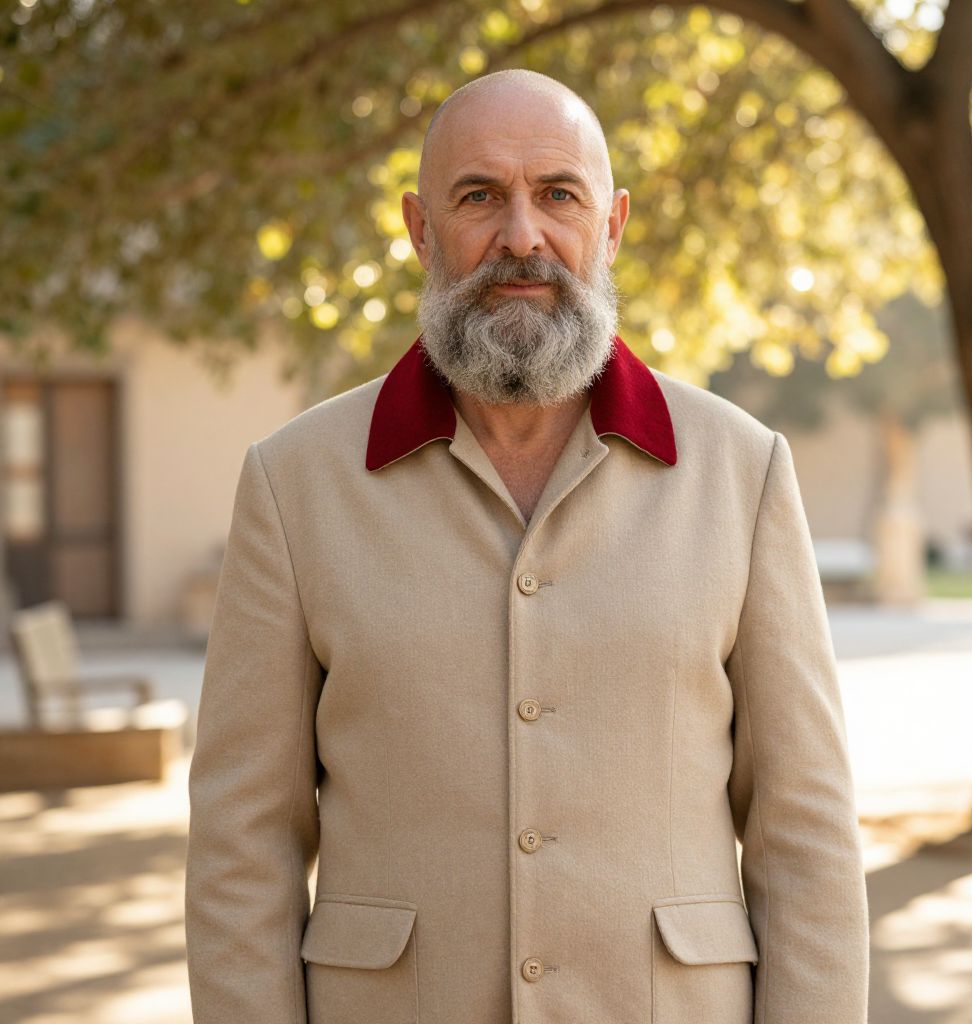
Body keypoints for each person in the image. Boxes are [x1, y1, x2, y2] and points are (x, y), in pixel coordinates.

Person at [185, 68, 869, 1024]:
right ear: (421, 229)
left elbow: (805, 834)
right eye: (479, 197)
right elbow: (240, 845)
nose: (522, 235)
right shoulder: (294, 484)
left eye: (558, 194)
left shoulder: (741, 471)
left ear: (612, 226)